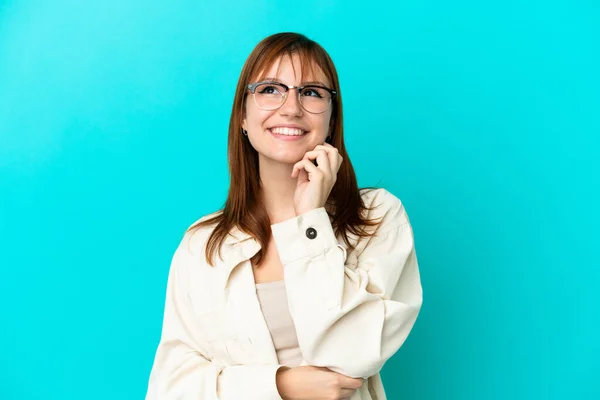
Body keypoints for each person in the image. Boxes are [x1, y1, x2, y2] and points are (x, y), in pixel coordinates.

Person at [145, 32, 423, 400]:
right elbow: (169, 388)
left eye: (311, 92)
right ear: (243, 116)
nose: (291, 107)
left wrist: (309, 219)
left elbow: (350, 354)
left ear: (331, 119)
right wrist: (281, 385)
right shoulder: (203, 245)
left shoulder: (377, 216)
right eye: (270, 89)